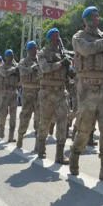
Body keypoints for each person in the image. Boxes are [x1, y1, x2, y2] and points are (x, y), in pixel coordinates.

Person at [69, 6, 103, 183]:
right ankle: (75, 154)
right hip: (87, 86)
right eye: (92, 16)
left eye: (97, 16)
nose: (96, 19)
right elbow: (86, 50)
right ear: (85, 19)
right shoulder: (79, 37)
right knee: (85, 127)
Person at [37, 28, 70, 165]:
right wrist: (60, 63)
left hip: (61, 91)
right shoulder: (42, 53)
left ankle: (60, 154)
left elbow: (68, 72)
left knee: (63, 121)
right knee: (45, 120)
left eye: (58, 36)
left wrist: (69, 66)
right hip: (47, 92)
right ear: (49, 39)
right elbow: (45, 68)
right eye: (54, 36)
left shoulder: (63, 54)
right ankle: (41, 147)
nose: (57, 39)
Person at [17, 41, 40, 151]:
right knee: (25, 116)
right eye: (33, 48)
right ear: (28, 50)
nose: (35, 50)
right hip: (27, 92)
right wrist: (33, 68)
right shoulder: (23, 61)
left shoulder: (40, 60)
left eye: (36, 47)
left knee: (39, 118)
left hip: (39, 92)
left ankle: (38, 144)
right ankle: (20, 136)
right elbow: (22, 71)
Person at [0, 49, 19, 142]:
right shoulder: (1, 67)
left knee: (13, 116)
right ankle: (1, 129)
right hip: (5, 93)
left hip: (14, 92)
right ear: (6, 57)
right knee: (3, 113)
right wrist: (14, 69)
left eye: (12, 55)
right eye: (10, 55)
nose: (12, 56)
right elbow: (5, 74)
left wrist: (18, 67)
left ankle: (11, 136)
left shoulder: (16, 66)